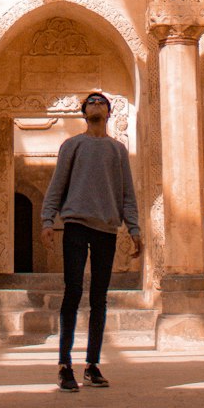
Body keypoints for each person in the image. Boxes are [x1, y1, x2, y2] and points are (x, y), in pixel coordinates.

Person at [41, 90, 141, 392]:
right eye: (91, 102)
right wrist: (48, 220)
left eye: (101, 102)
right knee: (72, 293)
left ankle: (93, 365)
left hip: (106, 230)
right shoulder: (72, 145)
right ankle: (64, 365)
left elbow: (127, 193)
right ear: (84, 112)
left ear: (109, 112)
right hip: (75, 225)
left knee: (99, 298)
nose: (96, 105)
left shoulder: (117, 150)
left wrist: (134, 228)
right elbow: (58, 183)